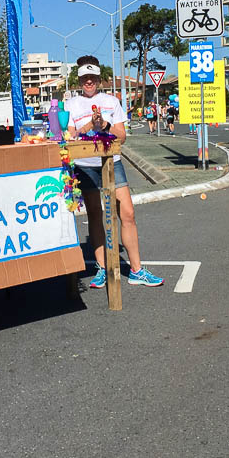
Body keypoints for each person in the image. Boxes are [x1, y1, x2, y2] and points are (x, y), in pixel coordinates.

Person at [65, 56, 163, 288]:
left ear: (99, 80)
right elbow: (69, 137)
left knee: (127, 213)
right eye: (84, 79)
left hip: (112, 162)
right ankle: (102, 268)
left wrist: (105, 125)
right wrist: (89, 126)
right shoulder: (71, 105)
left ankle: (137, 270)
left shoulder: (111, 101)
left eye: (92, 78)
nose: (89, 82)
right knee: (95, 216)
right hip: (85, 166)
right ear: (79, 81)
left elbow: (122, 136)